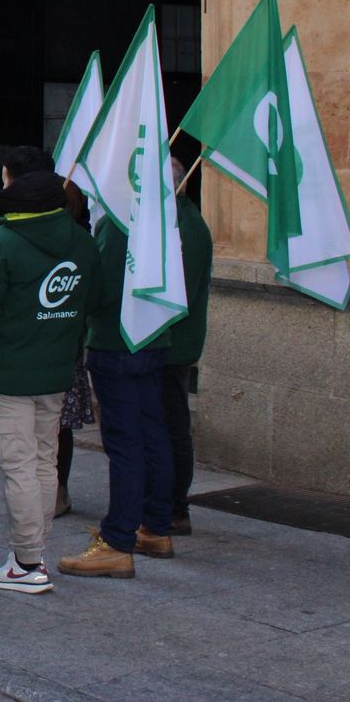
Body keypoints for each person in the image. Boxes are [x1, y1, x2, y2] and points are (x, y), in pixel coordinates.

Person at [0, 153, 98, 594]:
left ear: (10, 181)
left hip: (10, 375)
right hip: (54, 372)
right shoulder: (81, 241)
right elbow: (93, 303)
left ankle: (28, 562)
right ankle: (34, 552)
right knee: (42, 463)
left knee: (18, 465)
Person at [59, 182, 177, 578]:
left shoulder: (118, 222)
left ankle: (118, 541)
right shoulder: (159, 218)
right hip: (152, 336)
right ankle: (156, 526)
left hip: (118, 342)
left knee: (126, 443)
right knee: (152, 433)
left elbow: (100, 291)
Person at [162, 157, 212, 536]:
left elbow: (179, 293)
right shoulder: (175, 222)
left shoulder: (185, 227)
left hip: (170, 344)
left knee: (172, 425)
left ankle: (175, 506)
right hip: (165, 343)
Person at [55, 180, 95, 516]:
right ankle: (56, 489)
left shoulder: (79, 242)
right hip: (65, 342)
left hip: (63, 341)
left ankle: (57, 490)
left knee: (58, 423)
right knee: (58, 424)